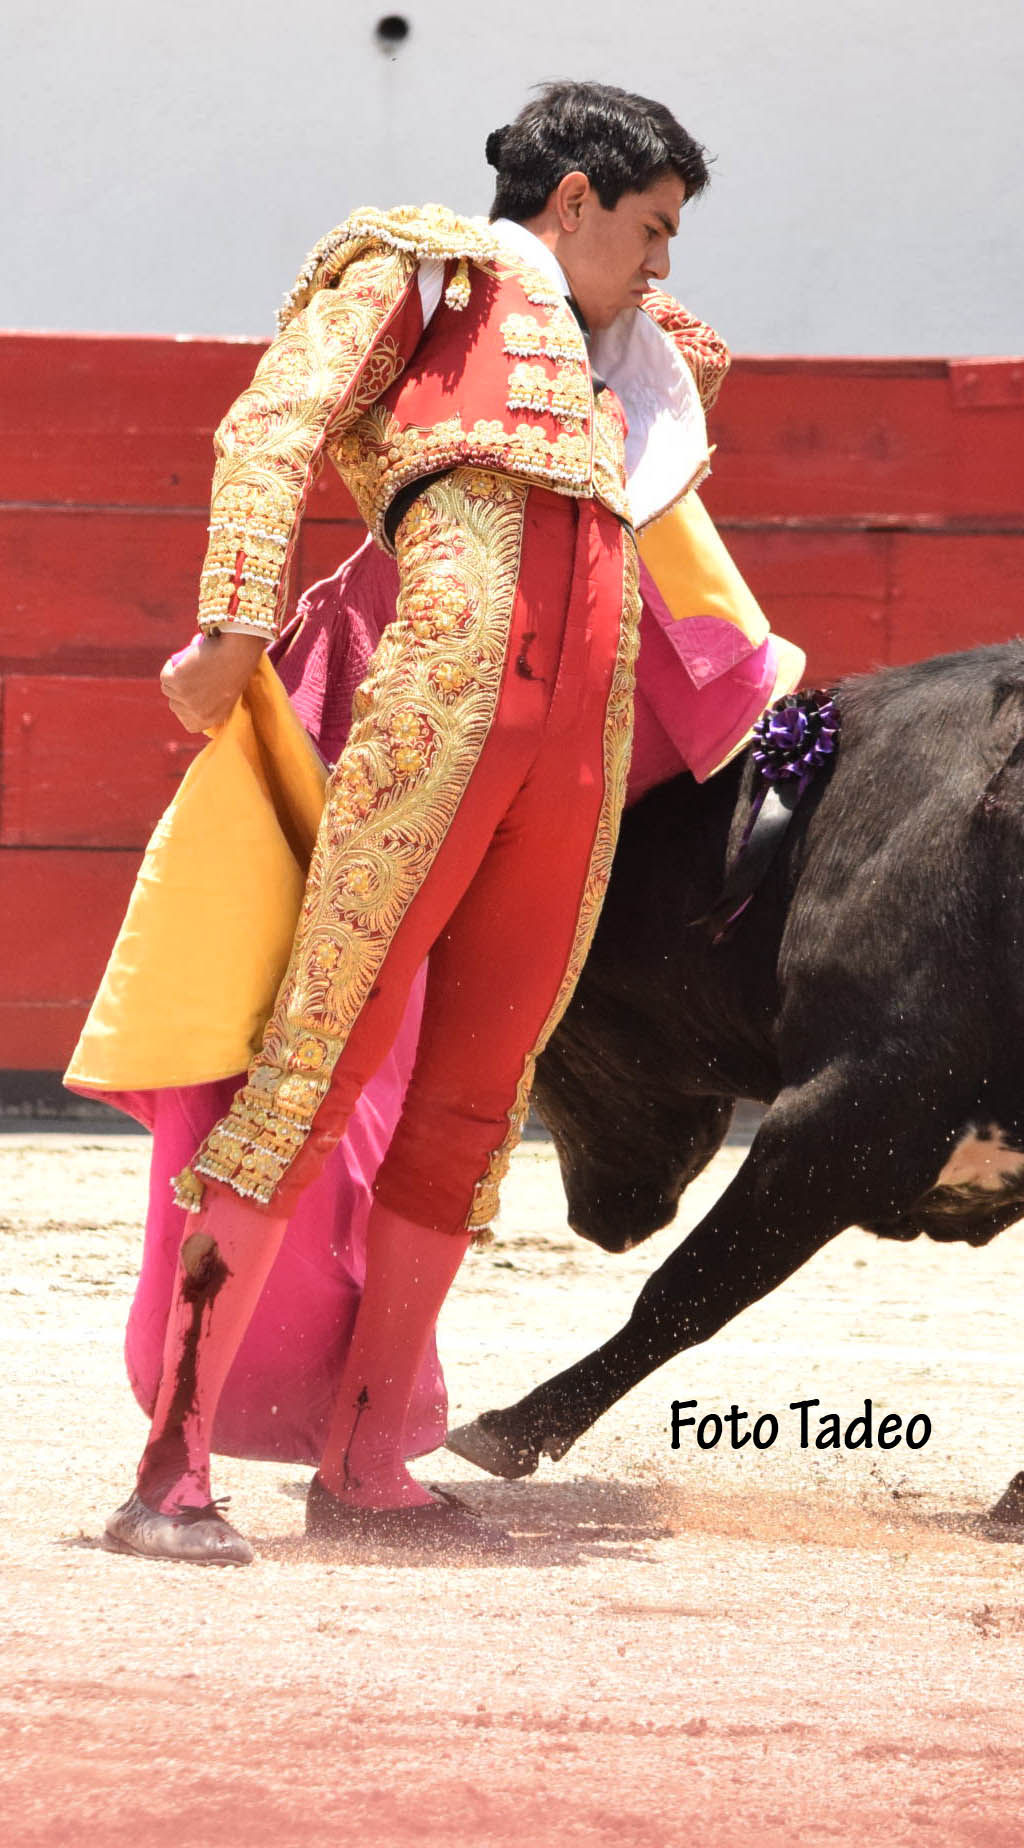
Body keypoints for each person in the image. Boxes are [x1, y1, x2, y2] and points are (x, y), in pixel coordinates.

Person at [99, 80, 781, 1567]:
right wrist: (232, 625)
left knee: (475, 1105)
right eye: (652, 225)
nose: (664, 263)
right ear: (574, 198)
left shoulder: (621, 348)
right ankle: (170, 1473)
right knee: (313, 1063)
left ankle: (368, 1463)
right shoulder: (423, 273)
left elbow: (691, 362)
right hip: (439, 718)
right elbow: (270, 427)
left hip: (576, 750)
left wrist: (631, 306)